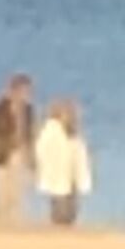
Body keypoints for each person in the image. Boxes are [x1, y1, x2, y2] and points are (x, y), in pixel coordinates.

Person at [0, 74, 36, 226]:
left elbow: (29, 134)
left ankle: (13, 222)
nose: (25, 95)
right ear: (13, 91)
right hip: (0, 155)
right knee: (0, 191)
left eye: (28, 92)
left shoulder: (28, 110)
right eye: (23, 91)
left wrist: (31, 157)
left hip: (19, 154)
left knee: (17, 191)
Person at [34, 97, 93, 228]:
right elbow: (42, 151)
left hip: (71, 176)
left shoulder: (73, 133)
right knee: (60, 205)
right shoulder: (51, 131)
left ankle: (66, 229)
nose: (73, 115)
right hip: (57, 175)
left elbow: (79, 154)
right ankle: (59, 231)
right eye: (69, 112)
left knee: (71, 207)